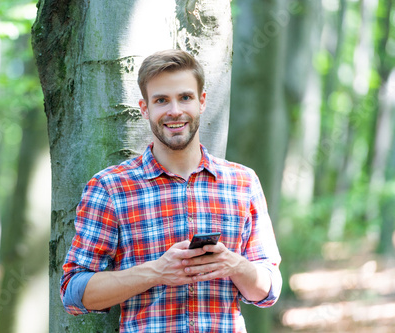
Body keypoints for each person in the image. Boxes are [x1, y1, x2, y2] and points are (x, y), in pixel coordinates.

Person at [60, 49, 282, 332]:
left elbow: (269, 289)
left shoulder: (243, 182)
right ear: (145, 108)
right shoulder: (110, 187)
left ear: (202, 102)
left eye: (185, 97)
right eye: (161, 100)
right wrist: (155, 272)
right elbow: (73, 292)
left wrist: (234, 265)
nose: (175, 111)